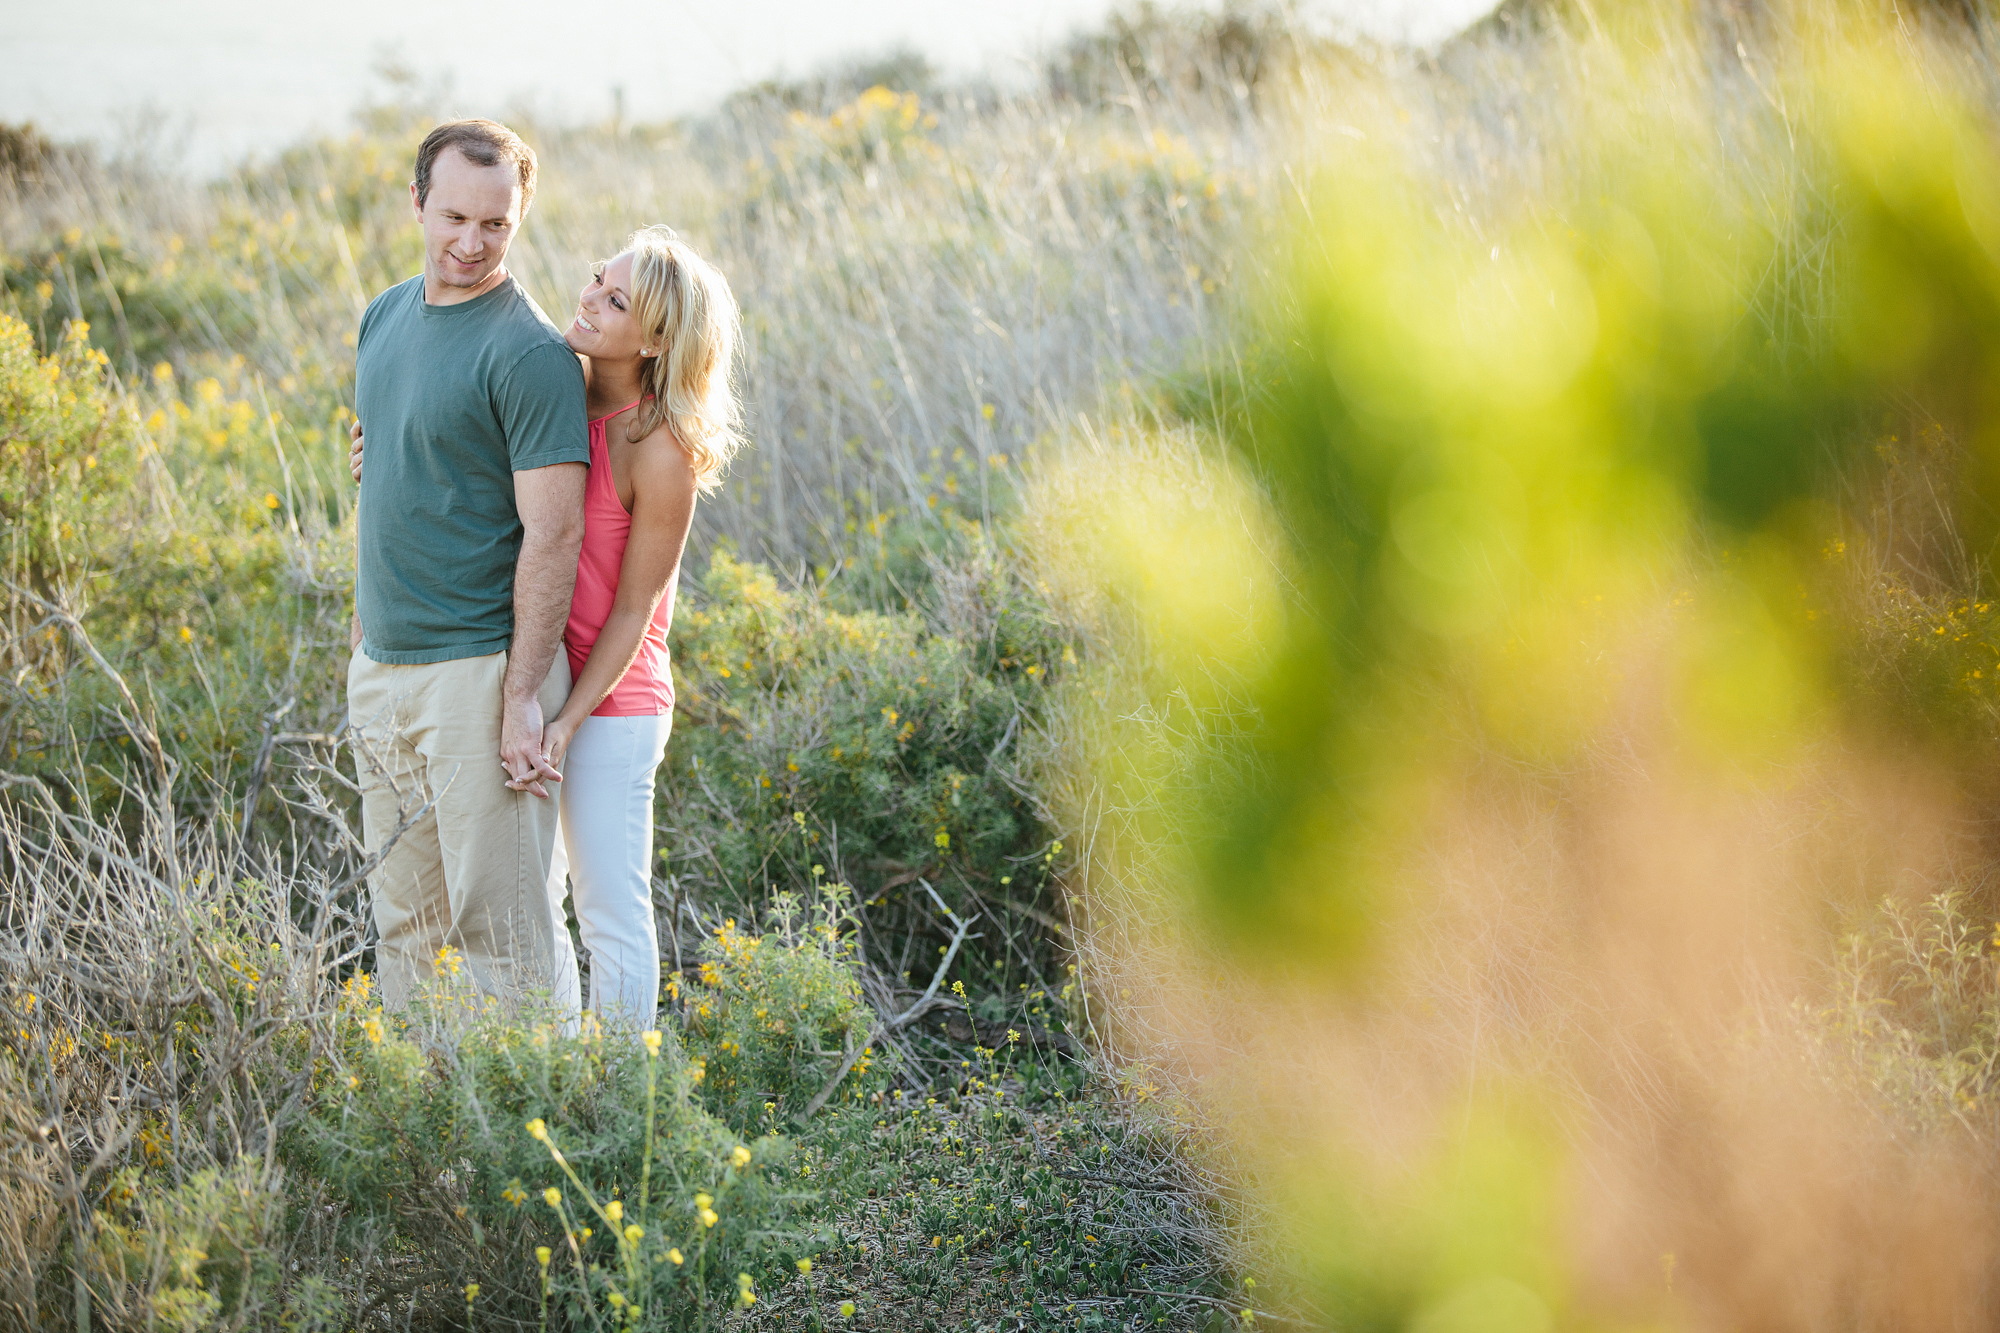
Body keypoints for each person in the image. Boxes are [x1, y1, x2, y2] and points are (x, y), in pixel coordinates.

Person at [355, 224, 742, 1026]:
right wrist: (381, 452)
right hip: (535, 677)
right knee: (538, 900)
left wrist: (564, 720)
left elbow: (637, 609)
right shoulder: (551, 379)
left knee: (608, 911)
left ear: (659, 337)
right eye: (598, 277)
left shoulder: (662, 451)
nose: (590, 297)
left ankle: (620, 1098)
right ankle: (552, 1077)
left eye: (616, 299)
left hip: (613, 702)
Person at [347, 118, 588, 1012]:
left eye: (495, 225)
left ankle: (552, 1129)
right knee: (405, 930)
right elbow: (397, 464)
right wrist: (366, 631)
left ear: (519, 217)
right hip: (383, 670)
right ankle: (427, 1140)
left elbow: (553, 536)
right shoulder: (382, 317)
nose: (470, 243)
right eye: (452, 217)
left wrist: (522, 694)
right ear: (417, 201)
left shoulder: (528, 354)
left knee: (510, 933)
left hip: (481, 673)